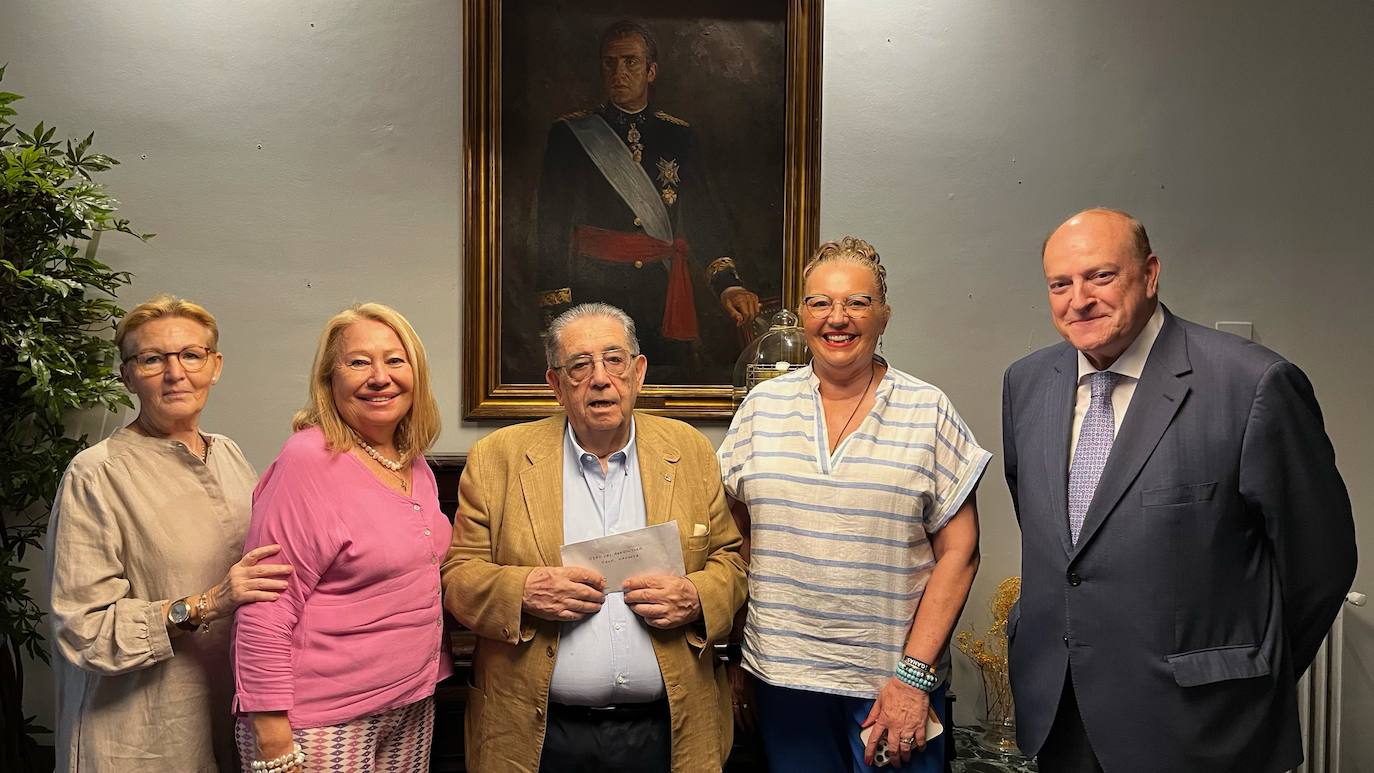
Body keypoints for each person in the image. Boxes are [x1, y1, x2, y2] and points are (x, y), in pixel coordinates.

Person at [1002, 208, 1357, 773]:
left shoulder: (1252, 385)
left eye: (1100, 276)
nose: (1079, 299)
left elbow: (1322, 561)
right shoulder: (1026, 383)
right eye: (1060, 284)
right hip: (1063, 714)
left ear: (1150, 274)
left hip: (1203, 725)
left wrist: (1247, 670)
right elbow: (1061, 541)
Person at [718, 237, 989, 772]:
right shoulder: (762, 407)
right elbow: (739, 539)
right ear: (801, 315)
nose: (836, 318)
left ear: (883, 316)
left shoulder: (927, 409)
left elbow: (962, 551)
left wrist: (913, 678)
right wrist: (735, 660)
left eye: (856, 303)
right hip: (783, 679)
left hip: (891, 687)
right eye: (820, 303)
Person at [442, 302, 747, 772]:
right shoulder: (497, 459)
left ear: (638, 372)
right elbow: (458, 577)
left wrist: (696, 596)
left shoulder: (689, 451)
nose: (600, 379)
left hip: (669, 730)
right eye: (579, 365)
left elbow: (730, 560)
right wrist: (523, 591)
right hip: (536, 733)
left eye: (614, 360)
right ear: (555, 384)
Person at [46, 294, 292, 772]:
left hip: (228, 714)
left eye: (191, 355)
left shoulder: (229, 455)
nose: (176, 373)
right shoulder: (95, 474)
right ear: (129, 375)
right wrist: (207, 603)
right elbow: (82, 629)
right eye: (153, 359)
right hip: (139, 736)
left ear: (214, 366)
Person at [233, 303, 451, 773]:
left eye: (395, 360)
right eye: (357, 362)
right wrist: (272, 736)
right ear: (330, 380)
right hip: (321, 720)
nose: (379, 377)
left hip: (408, 703)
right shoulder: (308, 460)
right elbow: (266, 604)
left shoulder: (412, 460)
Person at [534, 18, 761, 383]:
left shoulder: (678, 136)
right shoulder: (570, 136)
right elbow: (552, 228)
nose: (618, 73)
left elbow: (704, 221)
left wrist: (728, 284)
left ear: (651, 71)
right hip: (596, 295)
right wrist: (557, 312)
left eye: (630, 62)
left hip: (661, 296)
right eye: (610, 63)